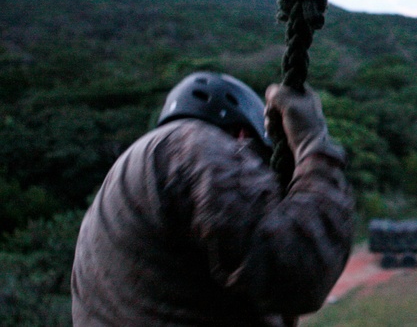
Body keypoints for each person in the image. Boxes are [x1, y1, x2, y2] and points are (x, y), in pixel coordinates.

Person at [71, 72, 354, 326]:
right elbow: (299, 272)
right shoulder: (194, 143)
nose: (257, 174)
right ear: (242, 136)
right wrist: (313, 145)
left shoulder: (124, 186)